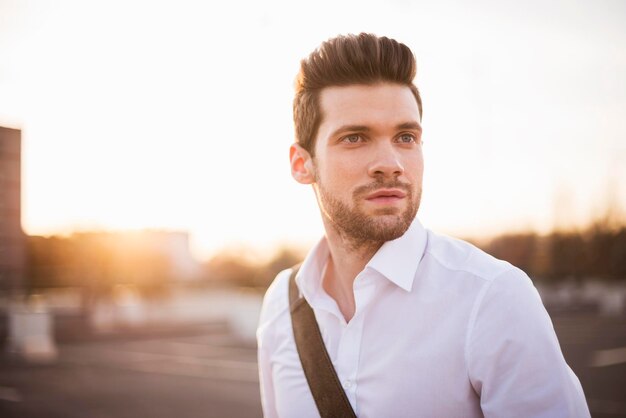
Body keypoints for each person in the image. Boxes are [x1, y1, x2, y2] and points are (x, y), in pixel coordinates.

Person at [256, 33, 590, 417]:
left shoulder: (493, 298)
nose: (391, 162)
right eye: (354, 137)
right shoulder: (281, 306)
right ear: (302, 164)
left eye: (405, 136)